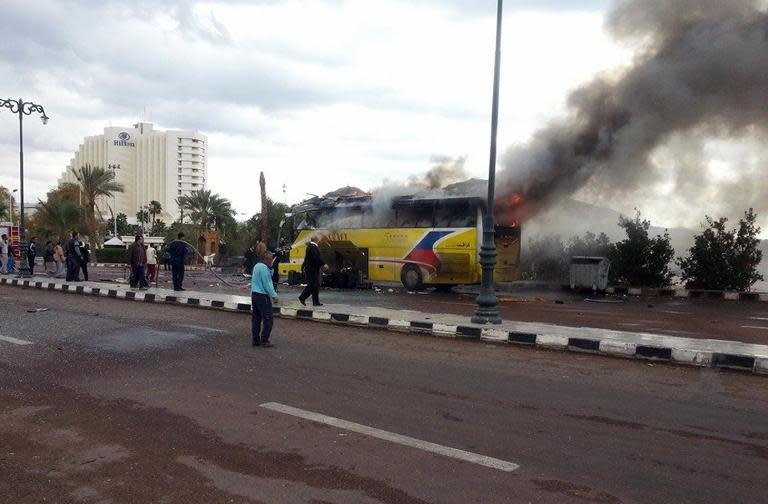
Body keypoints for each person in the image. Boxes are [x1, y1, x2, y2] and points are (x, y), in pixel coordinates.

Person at [251, 249, 278, 347]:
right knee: (268, 319)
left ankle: (255, 339)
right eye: (271, 259)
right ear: (266, 259)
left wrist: (270, 268)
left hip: (254, 294)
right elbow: (268, 283)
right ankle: (264, 340)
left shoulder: (257, 266)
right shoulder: (263, 268)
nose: (272, 261)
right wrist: (274, 296)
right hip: (263, 296)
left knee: (256, 318)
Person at [299, 235, 326, 307]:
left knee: (315, 285)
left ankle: (316, 302)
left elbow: (307, 259)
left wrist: (303, 267)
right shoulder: (313, 247)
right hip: (311, 270)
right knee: (312, 285)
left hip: (312, 269)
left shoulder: (310, 246)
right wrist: (324, 264)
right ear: (316, 240)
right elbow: (316, 257)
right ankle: (302, 297)